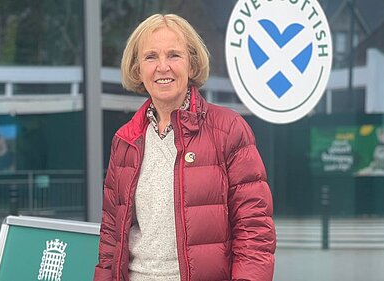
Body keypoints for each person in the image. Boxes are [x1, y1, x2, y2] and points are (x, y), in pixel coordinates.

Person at [94, 14, 276, 281]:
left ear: (191, 65)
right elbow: (111, 238)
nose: (162, 67)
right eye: (151, 57)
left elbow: (254, 232)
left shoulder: (228, 130)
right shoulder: (125, 140)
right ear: (137, 69)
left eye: (174, 55)